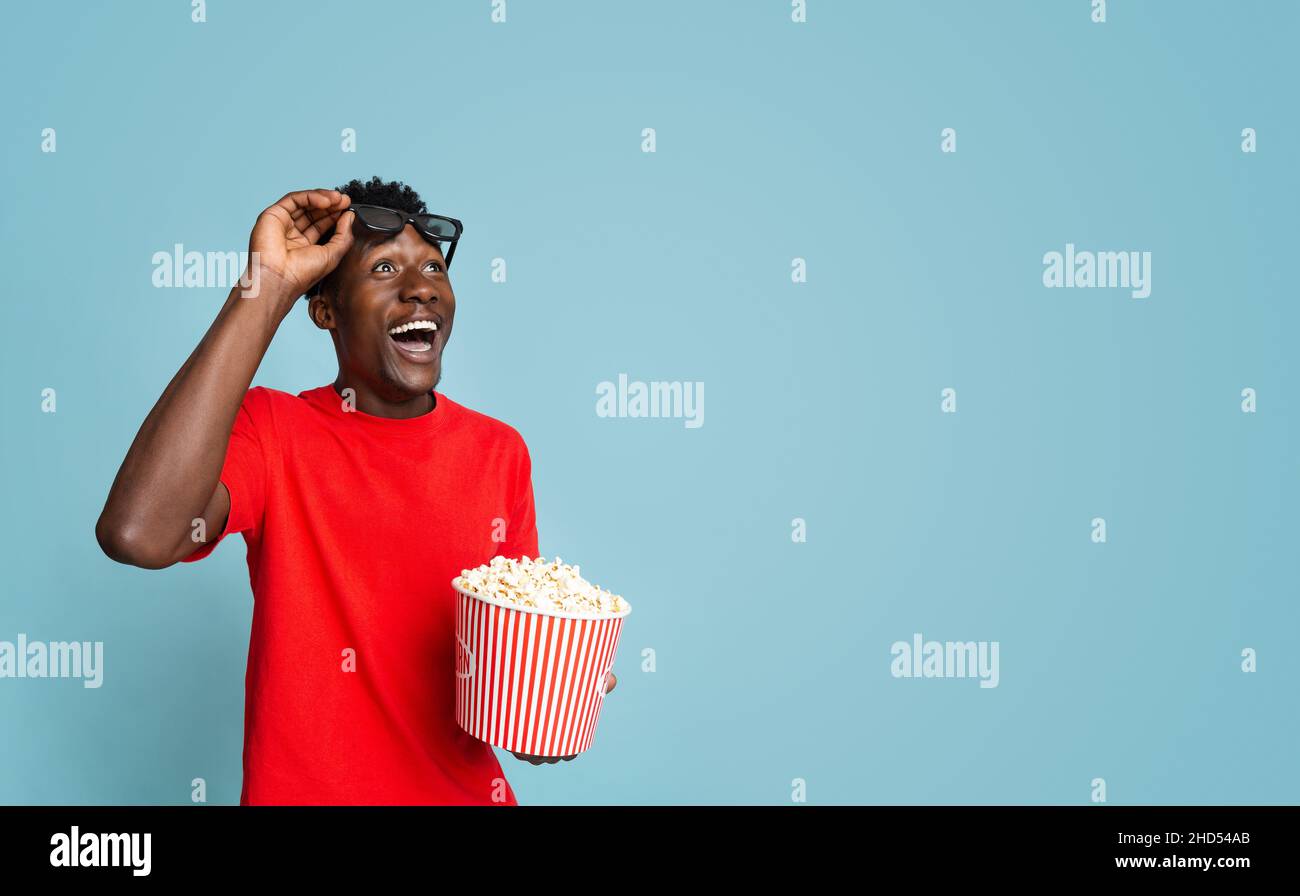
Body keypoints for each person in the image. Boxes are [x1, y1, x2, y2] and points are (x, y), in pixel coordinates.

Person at [96, 177, 615, 805]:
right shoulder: (273, 433)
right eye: (385, 268)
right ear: (326, 310)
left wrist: (557, 686)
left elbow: (520, 724)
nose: (420, 286)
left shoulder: (498, 452)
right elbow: (138, 533)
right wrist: (265, 289)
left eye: (431, 267)